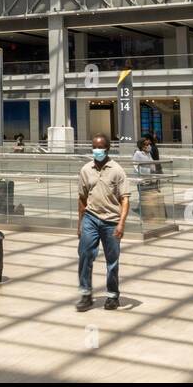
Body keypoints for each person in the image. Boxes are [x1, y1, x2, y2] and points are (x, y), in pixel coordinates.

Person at [76, 134, 130, 312]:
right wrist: (80, 223)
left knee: (112, 260)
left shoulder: (117, 170)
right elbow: (82, 198)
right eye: (94, 147)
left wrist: (121, 223)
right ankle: (85, 294)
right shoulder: (86, 169)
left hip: (111, 221)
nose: (96, 150)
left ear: (107, 149)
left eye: (99, 147)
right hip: (90, 218)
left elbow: (125, 199)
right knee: (85, 255)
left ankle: (113, 296)